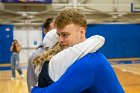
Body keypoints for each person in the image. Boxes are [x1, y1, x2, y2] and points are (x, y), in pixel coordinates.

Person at [31, 8, 124, 93]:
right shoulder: (76, 58)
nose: (60, 40)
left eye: (65, 35)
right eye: (59, 35)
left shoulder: (89, 63)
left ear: (81, 32)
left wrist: (35, 89)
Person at [27, 17, 55, 92]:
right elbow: (32, 86)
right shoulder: (35, 57)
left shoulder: (66, 51)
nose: (56, 34)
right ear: (45, 31)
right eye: (53, 31)